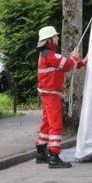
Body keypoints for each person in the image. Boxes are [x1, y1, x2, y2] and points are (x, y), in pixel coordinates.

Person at [35, 25, 86, 169]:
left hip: (47, 93)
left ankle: (41, 153)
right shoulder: (50, 55)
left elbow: (65, 64)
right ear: (49, 40)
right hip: (51, 94)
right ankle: (54, 157)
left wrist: (81, 62)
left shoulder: (46, 55)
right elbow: (67, 64)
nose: (58, 38)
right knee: (56, 125)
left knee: (47, 123)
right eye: (55, 36)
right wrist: (74, 57)